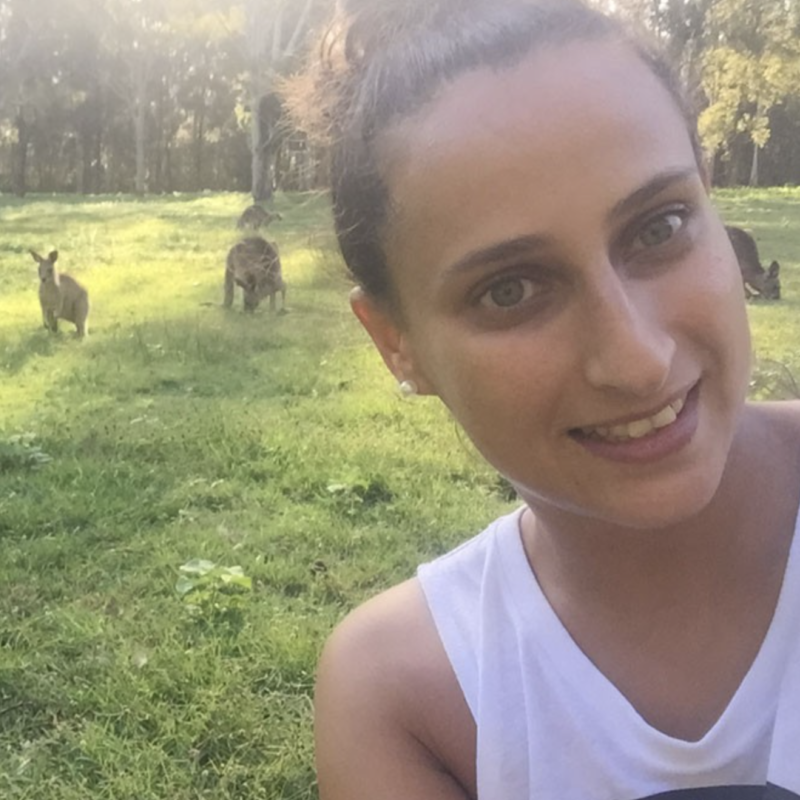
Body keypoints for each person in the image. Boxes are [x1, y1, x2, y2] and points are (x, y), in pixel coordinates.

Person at [285, 0, 800, 798]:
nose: (635, 360)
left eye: (659, 228)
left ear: (708, 197)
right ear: (396, 342)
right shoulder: (409, 696)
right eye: (510, 289)